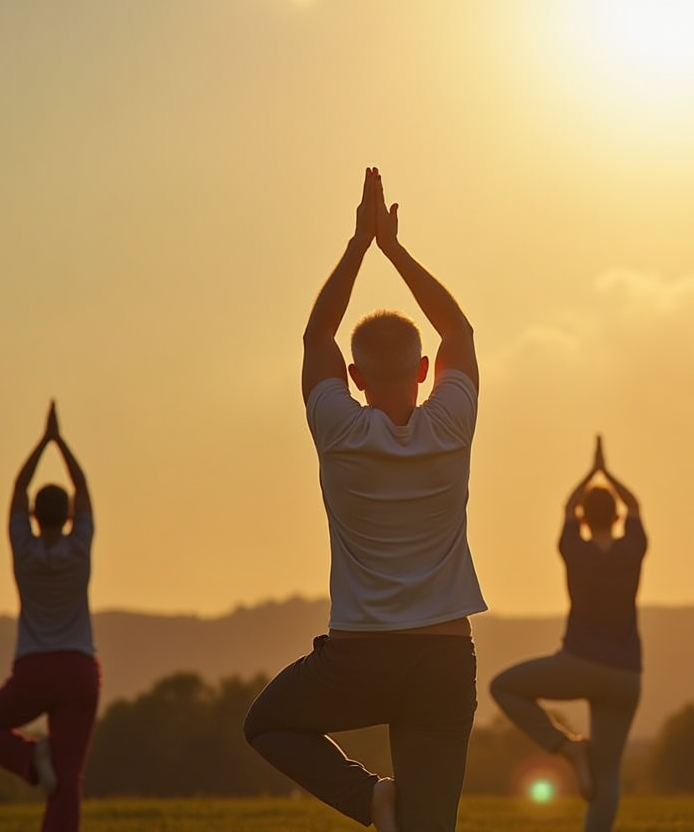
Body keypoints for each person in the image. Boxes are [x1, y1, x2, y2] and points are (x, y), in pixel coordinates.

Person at [244, 167, 486, 832]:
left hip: (361, 658)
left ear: (354, 377)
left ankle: (369, 799)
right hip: (442, 656)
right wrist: (395, 248)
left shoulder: (340, 429)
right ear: (423, 371)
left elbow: (315, 338)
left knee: (266, 722)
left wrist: (358, 245)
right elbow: (458, 331)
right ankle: (387, 806)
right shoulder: (450, 423)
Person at [490, 435, 646, 832]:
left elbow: (565, 507)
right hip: (626, 674)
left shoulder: (575, 548)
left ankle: (565, 745)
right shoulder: (633, 549)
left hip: (578, 662)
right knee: (608, 774)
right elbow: (637, 506)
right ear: (616, 517)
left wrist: (590, 472)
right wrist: (607, 472)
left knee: (504, 686)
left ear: (582, 517)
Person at [0, 401, 99, 832]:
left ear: (32, 516)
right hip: (79, 670)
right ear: (70, 515)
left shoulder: (25, 550)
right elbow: (83, 485)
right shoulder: (80, 547)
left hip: (34, 667)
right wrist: (61, 442)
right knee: (69, 779)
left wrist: (41, 442)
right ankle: (44, 765)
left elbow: (17, 486)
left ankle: (32, 758)